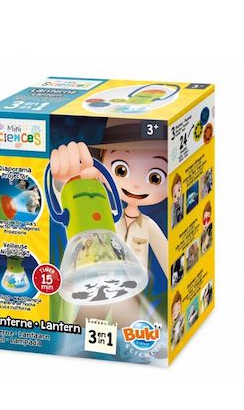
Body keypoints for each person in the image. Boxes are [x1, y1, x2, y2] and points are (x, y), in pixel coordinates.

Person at [50, 119, 168, 326]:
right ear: (102, 165)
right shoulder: (106, 212)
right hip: (94, 282)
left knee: (127, 329)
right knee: (84, 323)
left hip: (130, 287)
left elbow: (168, 258)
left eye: (155, 178)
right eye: (120, 170)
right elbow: (70, 205)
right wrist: (64, 181)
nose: (134, 185)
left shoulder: (147, 225)